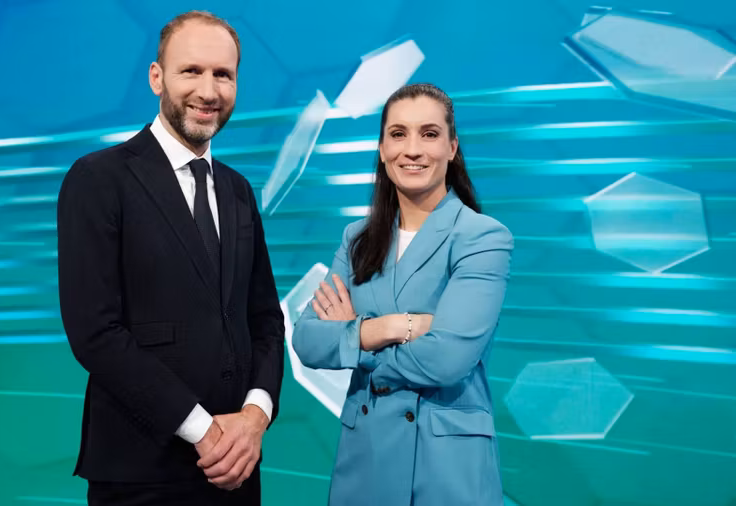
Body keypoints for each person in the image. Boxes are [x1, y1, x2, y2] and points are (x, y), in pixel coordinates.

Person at [56, 11, 285, 506]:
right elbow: (95, 332)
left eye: (223, 75)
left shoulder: (239, 191)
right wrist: (203, 430)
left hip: (238, 468)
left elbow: (265, 319)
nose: (208, 90)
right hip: (142, 472)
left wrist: (254, 418)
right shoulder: (98, 179)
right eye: (191, 71)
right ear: (156, 77)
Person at [292, 83, 513, 506]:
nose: (412, 150)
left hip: (445, 467)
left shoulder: (482, 237)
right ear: (381, 149)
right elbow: (306, 339)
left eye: (429, 134)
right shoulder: (356, 238)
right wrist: (393, 327)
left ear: (452, 148)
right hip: (365, 460)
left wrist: (353, 339)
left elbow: (448, 359)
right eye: (398, 134)